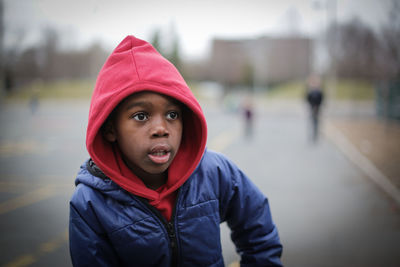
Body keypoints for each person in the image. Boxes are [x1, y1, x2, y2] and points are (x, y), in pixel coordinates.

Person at [69, 35, 283, 267]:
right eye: (141, 116)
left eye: (172, 115)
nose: (161, 129)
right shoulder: (90, 203)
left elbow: (258, 228)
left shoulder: (214, 172)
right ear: (110, 129)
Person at [305, 75, 324, 142]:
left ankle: (315, 134)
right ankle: (311, 134)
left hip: (317, 108)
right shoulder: (310, 92)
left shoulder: (319, 92)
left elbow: (321, 99)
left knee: (316, 122)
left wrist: (317, 106)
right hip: (311, 108)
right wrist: (311, 106)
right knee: (311, 121)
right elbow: (307, 99)